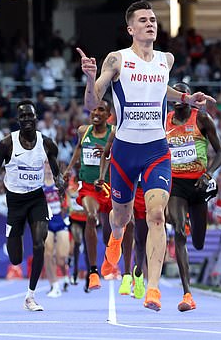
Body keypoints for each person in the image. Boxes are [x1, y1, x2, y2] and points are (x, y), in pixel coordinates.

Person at [77, 0, 215, 311]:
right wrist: (89, 76)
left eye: (153, 19)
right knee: (122, 218)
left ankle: (152, 289)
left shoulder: (166, 59)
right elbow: (91, 103)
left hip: (156, 150)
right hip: (125, 151)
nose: (150, 23)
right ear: (130, 28)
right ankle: (114, 236)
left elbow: (161, 88)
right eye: (143, 20)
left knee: (155, 216)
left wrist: (187, 98)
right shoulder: (117, 60)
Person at [0, 99, 65, 311]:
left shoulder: (47, 143)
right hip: (15, 202)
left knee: (40, 244)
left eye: (31, 115)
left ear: (36, 117)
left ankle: (30, 296)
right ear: (18, 120)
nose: (27, 119)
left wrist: (60, 181)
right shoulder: (6, 144)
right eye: (23, 116)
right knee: (16, 258)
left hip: (37, 198)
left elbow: (56, 168)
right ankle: (13, 235)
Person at [165, 81, 221, 311]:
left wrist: (208, 174)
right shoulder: (165, 120)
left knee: (198, 243)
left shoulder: (201, 119)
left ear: (190, 96)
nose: (180, 95)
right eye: (176, 92)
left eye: (184, 92)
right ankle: (187, 294)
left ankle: (190, 222)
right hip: (176, 183)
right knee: (179, 232)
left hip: (199, 185)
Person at [63, 100, 114, 291]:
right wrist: (69, 169)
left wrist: (109, 153)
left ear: (108, 114)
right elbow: (78, 148)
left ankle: (111, 256)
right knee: (91, 218)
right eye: (94, 109)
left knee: (110, 233)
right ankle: (93, 272)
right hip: (89, 188)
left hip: (109, 187)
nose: (96, 112)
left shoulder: (114, 132)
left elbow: (121, 155)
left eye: (101, 109)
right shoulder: (83, 131)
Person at [98, 129, 147, 299]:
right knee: (128, 223)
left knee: (142, 239)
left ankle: (138, 275)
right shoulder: (117, 131)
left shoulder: (154, 130)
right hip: (125, 183)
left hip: (145, 188)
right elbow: (105, 155)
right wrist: (101, 177)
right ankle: (126, 275)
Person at [43, 163, 70, 298]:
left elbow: (68, 199)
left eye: (49, 163)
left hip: (59, 221)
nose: (47, 166)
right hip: (46, 221)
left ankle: (65, 277)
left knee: (61, 258)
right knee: (47, 254)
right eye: (45, 164)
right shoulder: (38, 182)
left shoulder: (59, 181)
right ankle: (54, 285)